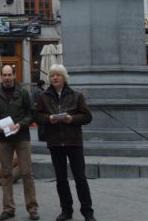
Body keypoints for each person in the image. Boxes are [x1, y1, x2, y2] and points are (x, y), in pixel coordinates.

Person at [34, 64, 95, 221]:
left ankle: (88, 212)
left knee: (80, 178)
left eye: (58, 75)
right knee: (61, 179)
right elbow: (36, 115)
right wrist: (49, 119)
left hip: (73, 142)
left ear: (64, 77)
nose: (55, 78)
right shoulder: (44, 96)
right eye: (52, 75)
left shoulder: (76, 95)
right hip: (55, 143)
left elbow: (87, 117)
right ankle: (66, 210)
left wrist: (71, 119)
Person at [0, 65, 40, 221]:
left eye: (9, 75)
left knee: (27, 173)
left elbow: (31, 114)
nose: (7, 77)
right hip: (4, 139)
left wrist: (20, 125)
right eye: (4, 75)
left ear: (14, 75)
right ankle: (8, 208)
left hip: (22, 137)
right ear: (1, 76)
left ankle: (32, 208)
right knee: (6, 173)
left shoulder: (23, 92)